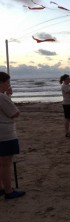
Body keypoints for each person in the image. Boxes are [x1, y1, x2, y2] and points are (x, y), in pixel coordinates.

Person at [0, 71, 26, 199]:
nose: (9, 85)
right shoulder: (2, 97)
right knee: (6, 163)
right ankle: (8, 191)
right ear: (2, 83)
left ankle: (1, 188)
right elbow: (14, 113)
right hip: (5, 134)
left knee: (1, 162)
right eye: (7, 82)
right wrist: (8, 96)